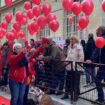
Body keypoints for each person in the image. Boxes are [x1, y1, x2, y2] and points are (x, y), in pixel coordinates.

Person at [61, 35, 84, 101]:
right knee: (68, 81)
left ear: (76, 40)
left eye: (73, 39)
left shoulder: (79, 47)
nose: (71, 40)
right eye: (71, 39)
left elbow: (81, 57)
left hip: (76, 67)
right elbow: (68, 56)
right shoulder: (69, 47)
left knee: (75, 82)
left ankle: (75, 96)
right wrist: (66, 61)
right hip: (69, 67)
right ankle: (66, 94)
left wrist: (74, 64)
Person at [86, 26, 105, 104]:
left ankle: (101, 99)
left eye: (97, 31)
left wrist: (91, 60)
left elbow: (97, 51)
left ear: (100, 31)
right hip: (102, 65)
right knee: (98, 81)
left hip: (103, 65)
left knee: (97, 81)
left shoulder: (102, 39)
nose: (96, 32)